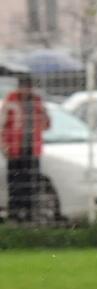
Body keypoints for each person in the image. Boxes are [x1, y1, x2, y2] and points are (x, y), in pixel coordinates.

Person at [1, 75, 50, 223]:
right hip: (15, 149)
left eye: (28, 87)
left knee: (32, 183)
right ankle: (15, 214)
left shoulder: (36, 102)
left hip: (32, 149)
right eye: (23, 86)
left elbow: (46, 125)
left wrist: (44, 112)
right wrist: (4, 146)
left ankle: (29, 214)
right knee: (16, 184)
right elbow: (2, 125)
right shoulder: (11, 100)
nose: (26, 90)